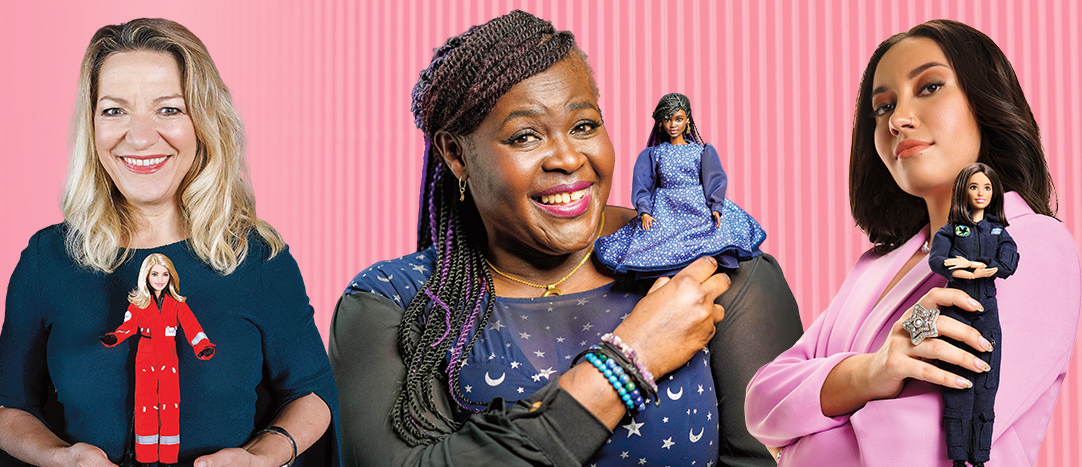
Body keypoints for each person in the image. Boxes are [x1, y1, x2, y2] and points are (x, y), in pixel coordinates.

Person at [330, 10, 801, 467]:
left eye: (584, 126)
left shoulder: (711, 272)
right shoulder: (394, 304)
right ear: (456, 154)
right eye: (525, 137)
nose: (569, 158)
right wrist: (625, 364)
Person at [0, 18, 337, 467]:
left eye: (168, 109)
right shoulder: (46, 260)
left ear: (204, 122)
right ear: (92, 127)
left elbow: (312, 392)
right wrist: (61, 458)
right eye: (114, 110)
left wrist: (263, 458)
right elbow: (7, 406)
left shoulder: (260, 257)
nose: (141, 136)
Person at [744, 19, 1079, 466]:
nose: (898, 120)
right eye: (882, 107)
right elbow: (762, 402)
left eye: (930, 86)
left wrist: (804, 438)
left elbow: (925, 446)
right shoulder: (873, 268)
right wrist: (871, 372)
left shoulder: (1033, 245)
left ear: (986, 102)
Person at [595, 93, 766, 277]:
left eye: (678, 119)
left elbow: (714, 180)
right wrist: (644, 211)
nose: (673, 124)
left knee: (716, 232)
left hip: (697, 206)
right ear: (661, 122)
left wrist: (716, 207)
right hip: (666, 208)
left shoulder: (701, 151)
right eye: (667, 119)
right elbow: (643, 185)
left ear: (687, 121)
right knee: (652, 239)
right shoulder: (655, 154)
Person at [927, 162, 1018, 466]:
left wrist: (984, 267)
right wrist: (967, 268)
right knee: (956, 387)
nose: (981, 193)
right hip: (956, 314)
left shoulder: (997, 229)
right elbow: (939, 259)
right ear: (963, 190)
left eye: (987, 187)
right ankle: (956, 459)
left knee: (986, 389)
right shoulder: (952, 229)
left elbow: (1008, 261)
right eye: (974, 186)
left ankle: (979, 458)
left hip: (987, 315)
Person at [100, 253, 217, 464]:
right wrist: (114, 337)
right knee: (145, 405)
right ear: (146, 276)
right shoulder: (138, 305)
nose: (160, 279)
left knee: (170, 405)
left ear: (171, 277)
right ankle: (145, 458)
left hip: (168, 356)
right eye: (155, 274)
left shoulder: (177, 304)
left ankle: (169, 459)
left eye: (164, 274)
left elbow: (193, 327)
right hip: (145, 355)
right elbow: (127, 326)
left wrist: (203, 346)